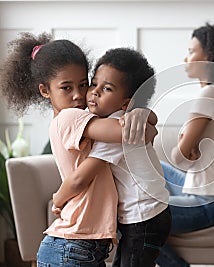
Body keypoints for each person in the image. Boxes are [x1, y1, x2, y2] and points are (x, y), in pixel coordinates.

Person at [0, 32, 157, 266]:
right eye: (66, 88)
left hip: (80, 245)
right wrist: (141, 112)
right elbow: (137, 134)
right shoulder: (70, 118)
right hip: (72, 246)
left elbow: (139, 132)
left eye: (83, 84)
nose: (78, 95)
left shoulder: (83, 119)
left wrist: (142, 114)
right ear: (45, 91)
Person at [156, 23, 214, 267]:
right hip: (208, 194)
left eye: (190, 51)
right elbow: (187, 155)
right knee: (154, 165)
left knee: (134, 218)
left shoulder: (208, 95)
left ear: (208, 55)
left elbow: (180, 157)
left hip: (212, 201)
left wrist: (184, 147)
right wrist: (187, 147)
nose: (185, 58)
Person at [86, 47, 171, 267]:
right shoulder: (114, 119)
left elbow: (83, 175)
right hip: (145, 215)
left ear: (125, 103)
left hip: (144, 218)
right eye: (94, 84)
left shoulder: (119, 128)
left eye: (106, 88)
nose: (94, 92)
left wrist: (59, 198)